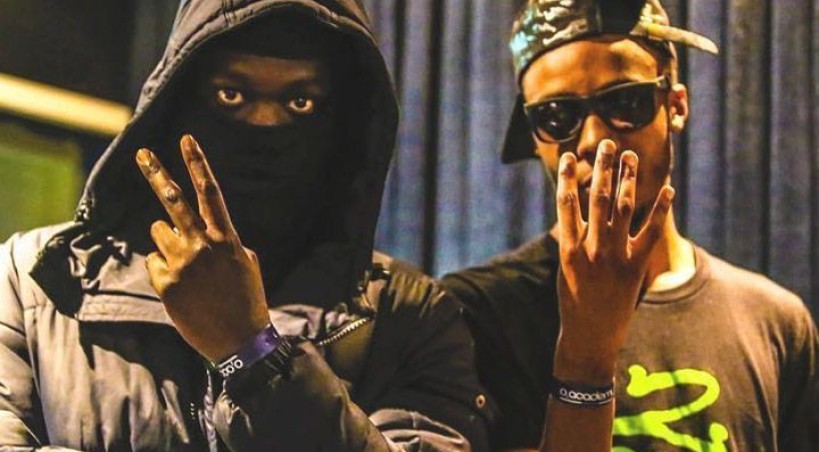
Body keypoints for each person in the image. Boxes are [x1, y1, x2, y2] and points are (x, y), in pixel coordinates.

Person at [0, 0, 492, 450]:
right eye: (231, 95)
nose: (264, 125)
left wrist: (251, 352)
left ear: (345, 125)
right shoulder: (36, 282)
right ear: (176, 103)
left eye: (300, 102)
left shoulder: (411, 318)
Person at [441, 0, 819, 450]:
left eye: (625, 101)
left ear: (675, 105)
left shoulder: (775, 322)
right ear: (533, 136)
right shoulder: (474, 313)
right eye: (557, 116)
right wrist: (585, 354)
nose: (595, 140)